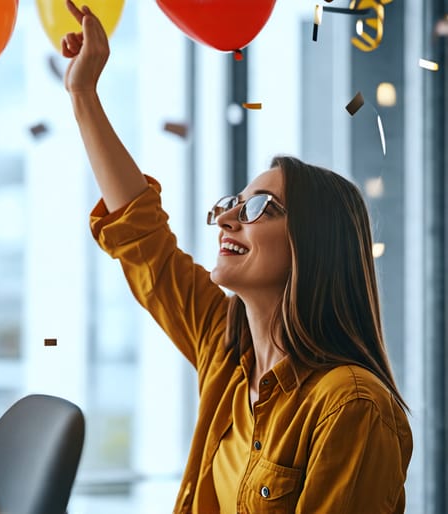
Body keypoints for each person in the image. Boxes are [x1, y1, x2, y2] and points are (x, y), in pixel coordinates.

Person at [60, 1, 413, 512]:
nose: (227, 218)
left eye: (260, 208)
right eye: (232, 204)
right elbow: (143, 238)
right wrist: (83, 94)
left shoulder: (351, 406)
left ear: (314, 244)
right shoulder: (227, 355)